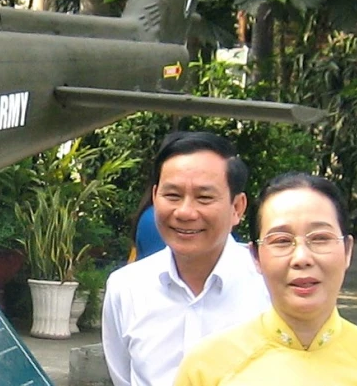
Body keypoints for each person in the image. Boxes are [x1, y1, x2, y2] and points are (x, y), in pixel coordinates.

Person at [174, 173, 357, 385]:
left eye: (320, 238)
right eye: (282, 241)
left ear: (347, 251)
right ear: (255, 256)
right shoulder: (207, 366)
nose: (302, 258)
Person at [101, 131, 270, 386]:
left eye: (204, 197)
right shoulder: (126, 288)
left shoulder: (270, 285)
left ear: (237, 208)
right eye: (173, 195)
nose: (185, 212)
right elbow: (122, 377)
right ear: (155, 196)